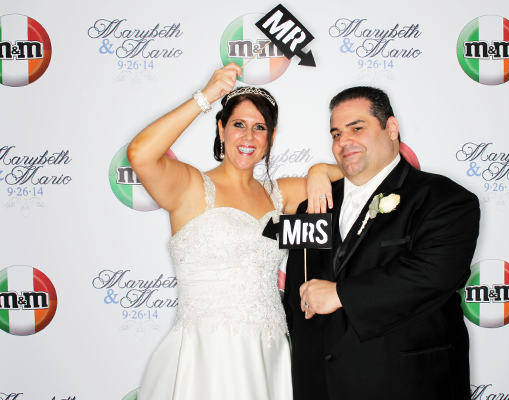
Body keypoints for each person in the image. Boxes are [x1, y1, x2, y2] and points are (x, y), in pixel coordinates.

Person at [128, 63, 342, 400]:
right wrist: (206, 96)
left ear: (271, 137)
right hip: (207, 354)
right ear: (221, 128)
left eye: (260, 128)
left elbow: (360, 172)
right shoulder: (190, 186)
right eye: (239, 124)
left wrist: (319, 170)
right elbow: (140, 154)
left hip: (269, 353)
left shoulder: (279, 195)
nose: (248, 137)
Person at [284, 86, 480, 399]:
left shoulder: (444, 198)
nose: (343, 141)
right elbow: (297, 299)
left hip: (406, 384)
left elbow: (433, 274)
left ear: (391, 128)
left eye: (356, 128)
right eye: (336, 134)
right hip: (319, 386)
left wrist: (340, 293)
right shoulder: (311, 208)